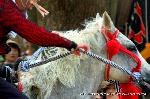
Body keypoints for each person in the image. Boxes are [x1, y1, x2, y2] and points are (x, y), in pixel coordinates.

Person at [0, 0, 88, 98]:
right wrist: (71, 45)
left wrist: (49, 34)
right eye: (32, 2)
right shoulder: (5, 6)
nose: (30, 8)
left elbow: (30, 28)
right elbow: (34, 33)